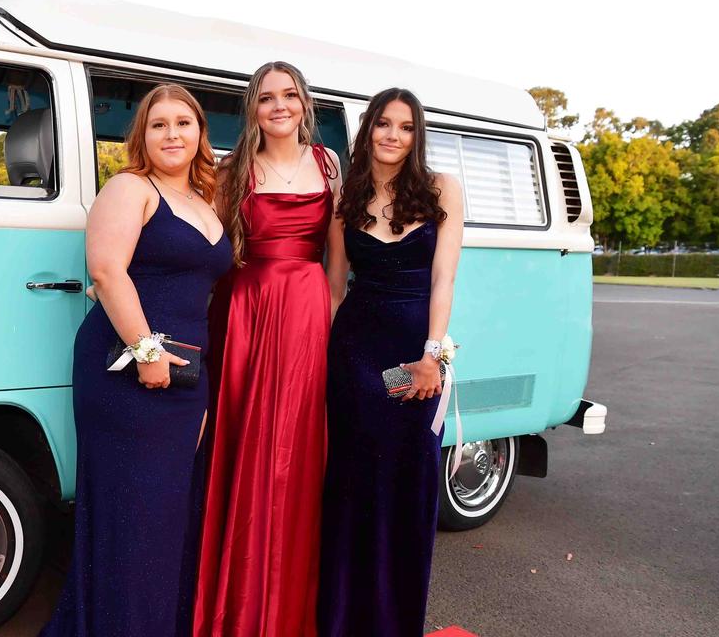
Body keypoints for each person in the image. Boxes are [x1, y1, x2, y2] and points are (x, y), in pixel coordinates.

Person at [41, 84, 232, 637]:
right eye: (159, 125)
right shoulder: (130, 187)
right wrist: (146, 350)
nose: (172, 134)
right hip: (128, 369)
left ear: (200, 132)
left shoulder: (206, 199)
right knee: (134, 511)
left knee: (167, 512)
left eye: (183, 123)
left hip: (188, 370)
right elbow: (106, 270)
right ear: (141, 136)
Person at [195, 61, 338, 637]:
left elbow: (337, 259)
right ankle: (239, 597)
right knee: (247, 440)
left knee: (299, 450)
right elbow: (214, 248)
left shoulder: (328, 164)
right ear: (253, 109)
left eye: (289, 95)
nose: (279, 105)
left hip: (308, 311)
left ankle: (286, 600)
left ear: (305, 103)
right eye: (266, 98)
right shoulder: (233, 170)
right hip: (248, 310)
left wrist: (331, 321)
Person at [317, 87, 463, 637]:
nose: (392, 135)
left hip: (411, 356)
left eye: (404, 126)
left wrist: (431, 357)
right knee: (353, 484)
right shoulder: (345, 196)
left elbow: (444, 278)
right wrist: (319, 360)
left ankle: (393, 623)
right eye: (383, 124)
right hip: (355, 357)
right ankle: (343, 619)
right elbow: (334, 288)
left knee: (407, 481)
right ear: (368, 129)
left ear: (416, 134)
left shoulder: (442, 188)